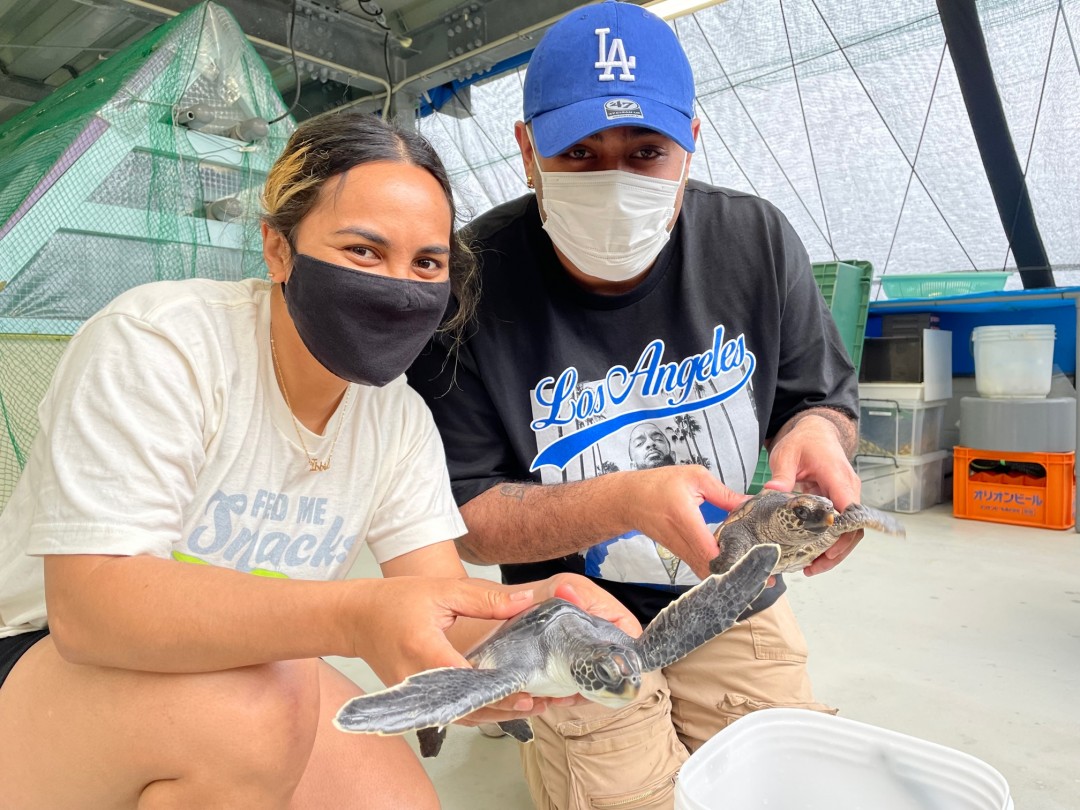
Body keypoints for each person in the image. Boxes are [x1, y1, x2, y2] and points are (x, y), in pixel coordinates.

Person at [0, 110, 637, 810]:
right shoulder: (161, 345)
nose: (399, 288)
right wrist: (355, 616)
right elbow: (92, 606)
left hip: (250, 675)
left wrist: (539, 619)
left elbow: (441, 606)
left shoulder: (396, 419)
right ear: (278, 250)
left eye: (426, 263)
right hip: (42, 659)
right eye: (364, 252)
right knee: (256, 707)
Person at [407, 2, 862, 807]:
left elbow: (817, 399)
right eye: (578, 153)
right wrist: (626, 502)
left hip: (731, 590)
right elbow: (469, 518)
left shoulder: (755, 241)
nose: (613, 181)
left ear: (691, 138)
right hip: (572, 616)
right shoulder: (470, 284)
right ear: (525, 149)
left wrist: (819, 439)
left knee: (786, 780)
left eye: (646, 151)